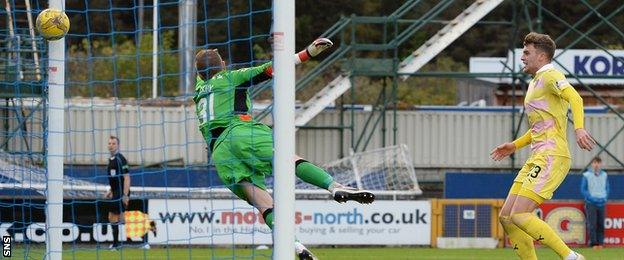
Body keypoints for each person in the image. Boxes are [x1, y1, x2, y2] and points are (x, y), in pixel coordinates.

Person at [193, 38, 374, 260]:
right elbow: (275, 67)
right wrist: (308, 52)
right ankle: (334, 187)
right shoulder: (231, 77)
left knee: (263, 204)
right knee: (288, 159)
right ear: (222, 65)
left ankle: (295, 245)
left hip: (219, 153)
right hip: (240, 131)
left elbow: (204, 68)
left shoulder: (199, 88)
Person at [490, 32, 596, 260]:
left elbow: (576, 98)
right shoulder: (535, 82)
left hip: (552, 155)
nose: (523, 57)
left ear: (541, 55)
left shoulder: (550, 75)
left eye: (527, 53)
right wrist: (514, 145)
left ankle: (571, 257)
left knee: (519, 214)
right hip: (538, 155)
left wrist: (579, 128)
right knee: (507, 217)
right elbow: (541, 127)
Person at [104, 136, 133, 250]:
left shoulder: (121, 159)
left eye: (113, 143)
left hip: (121, 193)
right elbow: (115, 178)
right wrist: (110, 190)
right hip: (116, 191)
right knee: (116, 217)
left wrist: (125, 195)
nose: (111, 145)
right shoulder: (111, 159)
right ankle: (116, 244)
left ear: (118, 145)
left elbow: (127, 178)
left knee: (113, 216)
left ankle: (116, 245)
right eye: (109, 143)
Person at [581, 156, 609, 249]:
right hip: (591, 203)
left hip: (602, 202)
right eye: (594, 163)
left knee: (601, 224)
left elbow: (607, 188)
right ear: (592, 164)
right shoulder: (586, 175)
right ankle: (593, 243)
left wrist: (604, 198)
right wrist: (591, 198)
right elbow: (583, 189)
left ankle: (600, 243)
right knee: (592, 223)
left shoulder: (605, 175)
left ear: (601, 164)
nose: (596, 165)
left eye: (598, 163)